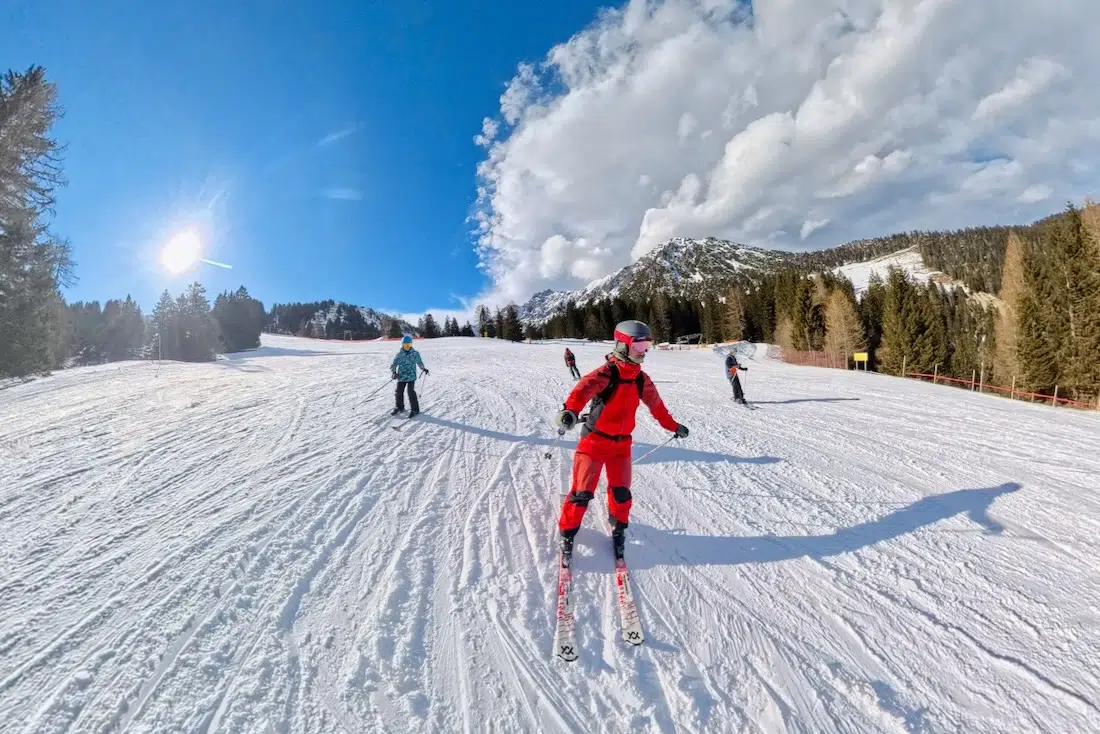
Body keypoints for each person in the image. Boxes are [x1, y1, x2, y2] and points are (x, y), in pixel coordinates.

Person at [554, 320, 688, 559]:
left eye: (647, 345)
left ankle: (618, 527)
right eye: (639, 346)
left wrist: (674, 426)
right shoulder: (607, 372)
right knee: (582, 492)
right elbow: (582, 390)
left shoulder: (640, 379)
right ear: (623, 345)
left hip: (621, 446)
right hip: (594, 443)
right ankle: (568, 531)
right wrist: (570, 412)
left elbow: (657, 407)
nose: (644, 351)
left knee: (622, 493)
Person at [391, 335, 429, 416]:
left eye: (409, 345)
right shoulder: (399, 355)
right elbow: (394, 364)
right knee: (398, 391)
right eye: (406, 345)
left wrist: (423, 369)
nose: (407, 347)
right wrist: (394, 372)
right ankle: (399, 407)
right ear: (402, 345)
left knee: (410, 392)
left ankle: (415, 409)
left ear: (411, 344)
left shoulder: (415, 354)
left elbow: (419, 362)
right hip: (401, 376)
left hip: (411, 376)